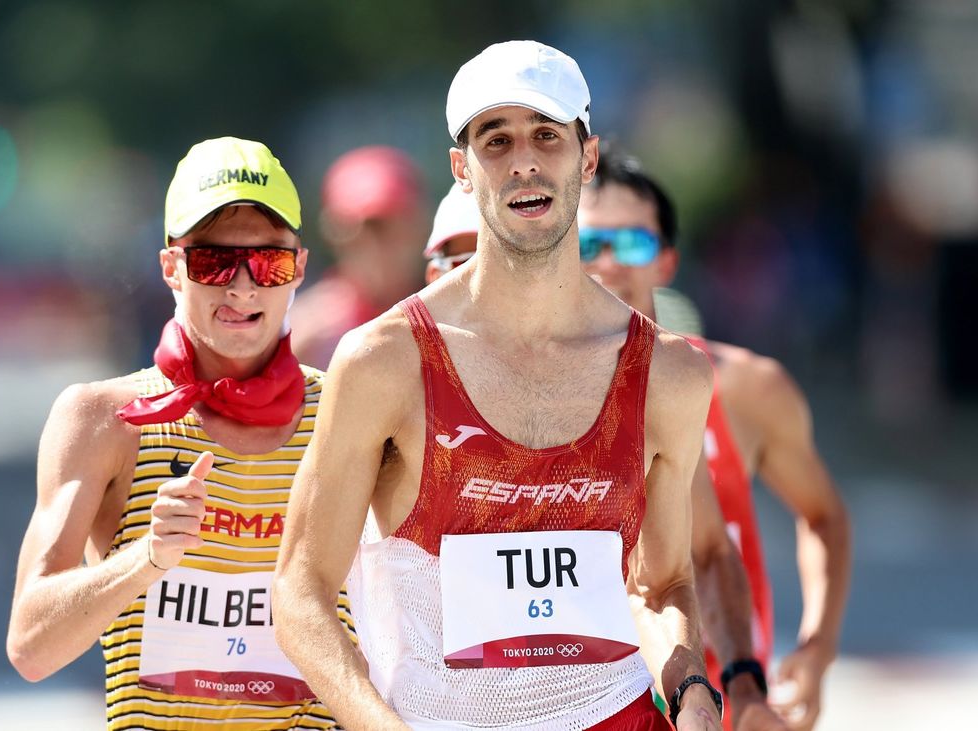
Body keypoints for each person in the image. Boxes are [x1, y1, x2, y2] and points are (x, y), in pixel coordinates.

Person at [273, 40, 723, 730]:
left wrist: (694, 692)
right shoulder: (384, 362)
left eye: (547, 134)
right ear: (460, 168)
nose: (524, 162)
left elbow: (663, 585)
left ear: (588, 157)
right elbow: (300, 591)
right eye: (496, 140)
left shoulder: (670, 372)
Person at [7, 137, 354, 730]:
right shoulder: (103, 418)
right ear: (171, 267)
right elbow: (31, 647)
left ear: (299, 267)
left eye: (269, 262)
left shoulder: (349, 410)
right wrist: (148, 557)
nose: (243, 288)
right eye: (214, 262)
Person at [423, 178, 786, 731]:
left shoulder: (630, 389)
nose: (487, 274)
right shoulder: (384, 377)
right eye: (465, 257)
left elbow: (693, 563)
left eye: (503, 253)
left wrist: (730, 688)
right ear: (433, 274)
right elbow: (309, 591)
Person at [578, 147, 852, 731]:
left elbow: (822, 517)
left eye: (631, 244)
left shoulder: (744, 387)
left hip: (723, 701)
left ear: (667, 262)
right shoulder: (533, 394)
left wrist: (816, 648)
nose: (605, 263)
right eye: (586, 245)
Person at [288, 146, 428, 369]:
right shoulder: (307, 335)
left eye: (389, 226)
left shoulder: (450, 315)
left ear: (419, 226)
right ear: (334, 234)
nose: (375, 246)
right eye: (357, 230)